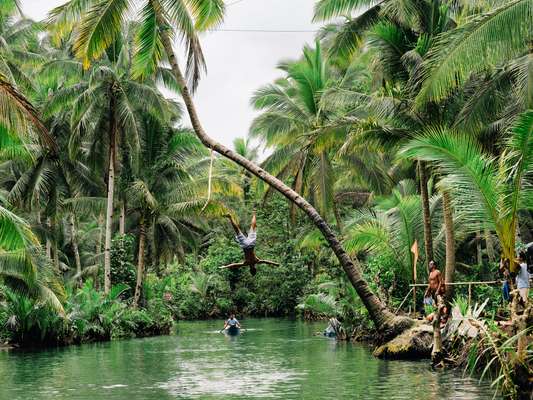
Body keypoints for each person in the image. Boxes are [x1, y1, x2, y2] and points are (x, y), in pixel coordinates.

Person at [220, 209, 279, 276]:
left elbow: (266, 262)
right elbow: (234, 265)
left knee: (253, 227)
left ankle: (254, 213)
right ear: (250, 269)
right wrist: (225, 267)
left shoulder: (257, 261)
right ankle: (230, 217)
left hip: (251, 244)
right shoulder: (246, 263)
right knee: (237, 231)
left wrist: (275, 264)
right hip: (245, 246)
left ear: (255, 268)